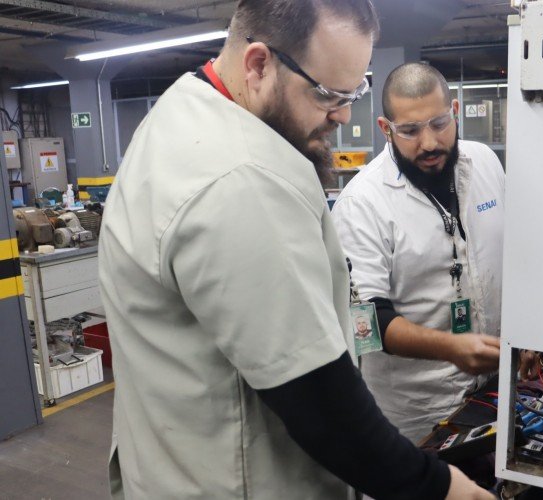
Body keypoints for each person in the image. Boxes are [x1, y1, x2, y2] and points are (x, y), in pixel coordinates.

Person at [98, 2, 492, 499]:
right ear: (259, 63)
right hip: (237, 480)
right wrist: (439, 486)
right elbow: (319, 400)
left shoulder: (184, 111)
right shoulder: (241, 182)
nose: (345, 114)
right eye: (328, 93)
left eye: (355, 91)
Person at [332, 62, 505, 442]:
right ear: (385, 129)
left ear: (455, 111)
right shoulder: (363, 204)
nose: (428, 142)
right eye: (409, 131)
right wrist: (452, 349)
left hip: (495, 393)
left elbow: (517, 258)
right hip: (416, 416)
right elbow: (369, 324)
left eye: (440, 123)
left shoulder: (487, 166)